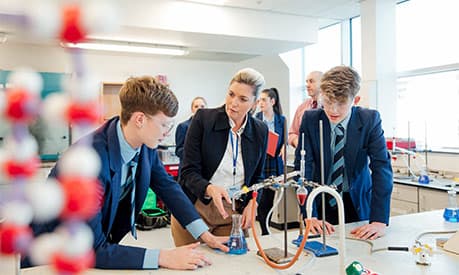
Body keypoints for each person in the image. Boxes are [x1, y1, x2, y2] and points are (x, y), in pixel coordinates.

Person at [23, 76, 228, 270]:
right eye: (165, 124)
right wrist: (162, 257)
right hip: (47, 257)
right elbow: (91, 250)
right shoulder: (88, 163)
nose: (168, 132)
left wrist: (203, 234)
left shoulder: (143, 143)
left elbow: (167, 186)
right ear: (139, 119)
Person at [171, 68, 268, 246]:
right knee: (195, 264)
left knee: (233, 264)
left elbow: (258, 178)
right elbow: (187, 171)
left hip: (232, 211)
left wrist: (253, 202)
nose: (233, 103)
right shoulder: (203, 120)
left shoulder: (260, 131)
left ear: (254, 103)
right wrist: (209, 188)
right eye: (231, 94)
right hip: (195, 208)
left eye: (243, 99)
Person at [294, 66, 393, 240]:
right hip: (321, 202)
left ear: (356, 100)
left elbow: (382, 168)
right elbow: (303, 169)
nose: (333, 110)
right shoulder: (310, 120)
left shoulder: (369, 120)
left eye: (341, 103)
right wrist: (310, 214)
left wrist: (379, 221)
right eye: (328, 101)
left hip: (357, 202)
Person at [254, 88, 285, 235]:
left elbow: (285, 139)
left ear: (272, 101)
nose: (261, 103)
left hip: (274, 162)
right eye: (259, 100)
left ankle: (266, 228)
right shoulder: (256, 118)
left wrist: (285, 146)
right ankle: (264, 230)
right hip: (260, 160)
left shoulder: (281, 120)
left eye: (264, 100)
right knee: (261, 197)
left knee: (271, 197)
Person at [288, 71, 323, 148]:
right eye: (307, 82)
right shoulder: (302, 107)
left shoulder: (330, 107)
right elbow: (292, 133)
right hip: (305, 155)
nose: (307, 85)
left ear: (322, 83)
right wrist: (298, 143)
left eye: (311, 81)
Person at [175, 97, 207, 164]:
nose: (199, 109)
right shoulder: (183, 126)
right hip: (187, 167)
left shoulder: (209, 128)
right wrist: (194, 151)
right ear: (192, 109)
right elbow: (178, 151)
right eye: (196, 106)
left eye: (202, 106)